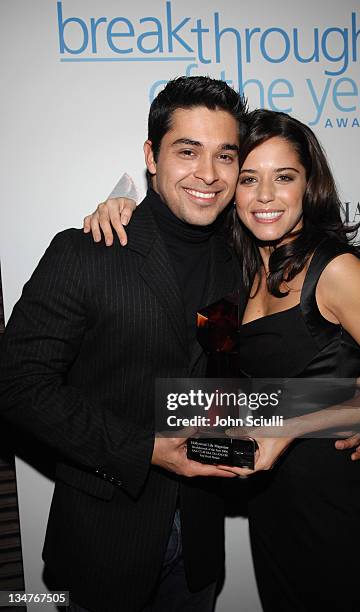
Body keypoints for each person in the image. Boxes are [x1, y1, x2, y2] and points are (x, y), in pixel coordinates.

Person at [86, 109, 360, 610]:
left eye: (284, 177)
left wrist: (298, 425)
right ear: (230, 188)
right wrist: (119, 202)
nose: (264, 196)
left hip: (332, 509)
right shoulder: (235, 265)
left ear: (309, 185)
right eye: (250, 178)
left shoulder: (336, 270)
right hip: (269, 509)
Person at [0, 76, 248, 612]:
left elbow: (232, 383)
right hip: (101, 546)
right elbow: (16, 384)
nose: (208, 174)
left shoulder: (241, 262)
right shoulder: (87, 250)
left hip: (201, 551)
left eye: (225, 155)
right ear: (151, 157)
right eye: (188, 151)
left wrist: (347, 421)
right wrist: (144, 450)